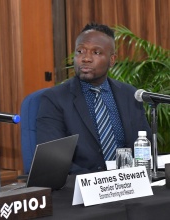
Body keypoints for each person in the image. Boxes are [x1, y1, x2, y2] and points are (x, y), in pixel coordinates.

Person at [36, 23, 152, 174]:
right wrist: (100, 182)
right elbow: (53, 161)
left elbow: (144, 148)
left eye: (96, 53)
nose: (86, 58)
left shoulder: (130, 95)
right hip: (80, 188)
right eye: (80, 51)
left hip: (127, 183)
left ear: (112, 60)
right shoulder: (55, 99)